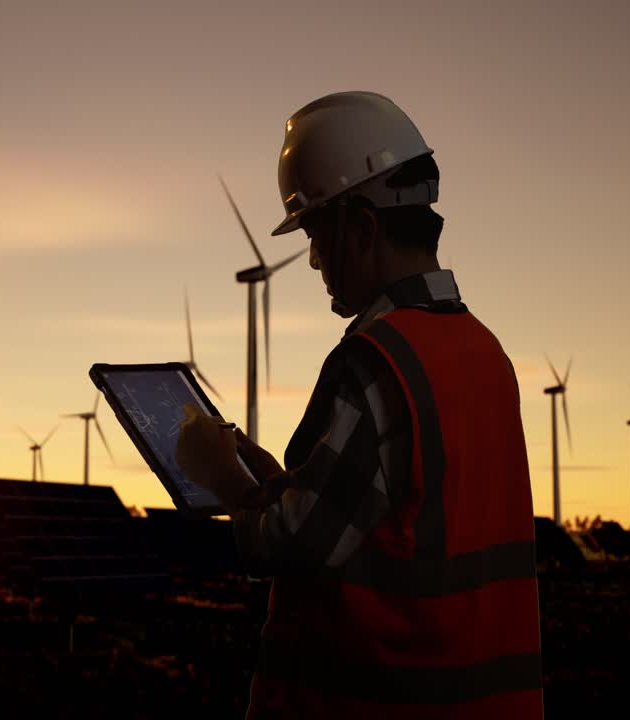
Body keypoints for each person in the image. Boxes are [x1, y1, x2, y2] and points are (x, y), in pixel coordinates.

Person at [176, 91, 543, 719]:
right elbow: (400, 522)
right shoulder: (485, 353)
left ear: (364, 227)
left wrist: (220, 479)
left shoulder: (378, 361)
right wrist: (279, 486)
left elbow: (290, 548)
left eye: (317, 234)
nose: (313, 260)